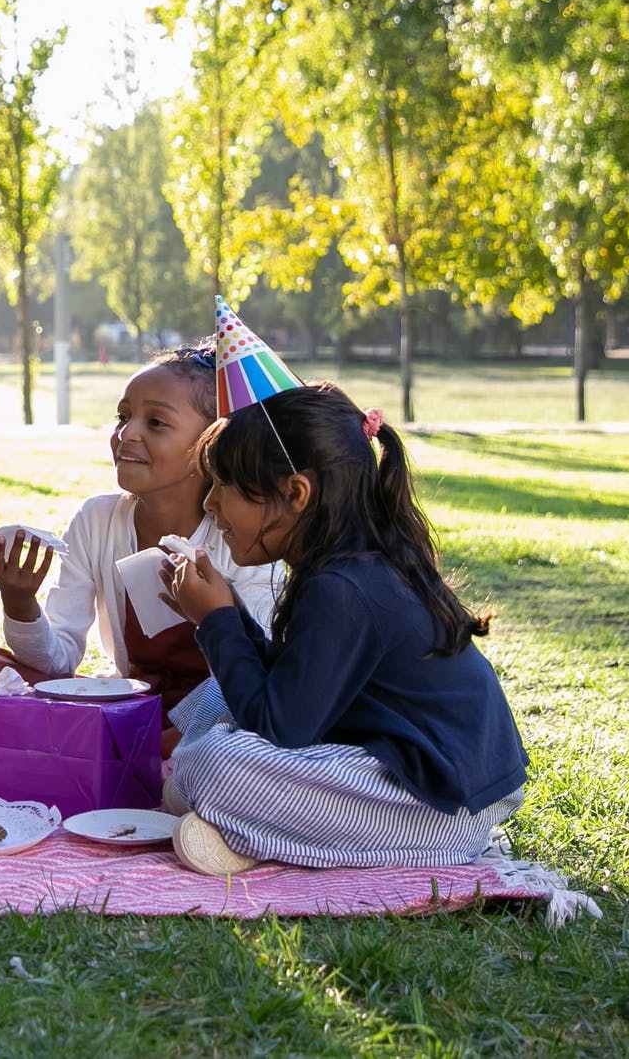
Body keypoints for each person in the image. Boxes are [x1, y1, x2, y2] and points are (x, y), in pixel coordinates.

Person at [158, 298, 528, 875]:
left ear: (295, 493)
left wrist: (216, 620)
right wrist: (225, 609)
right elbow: (292, 693)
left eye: (224, 486)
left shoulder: (346, 586)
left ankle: (257, 834)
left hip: (442, 805)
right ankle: (253, 828)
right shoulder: (345, 565)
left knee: (215, 762)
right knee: (212, 714)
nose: (209, 505)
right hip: (415, 775)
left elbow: (282, 727)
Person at [0, 344, 282, 752]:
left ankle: (100, 749)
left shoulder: (240, 537)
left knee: (234, 735)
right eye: (123, 417)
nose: (127, 434)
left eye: (156, 422)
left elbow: (252, 678)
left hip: (212, 715)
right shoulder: (97, 521)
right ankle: (116, 748)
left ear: (212, 442)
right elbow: (59, 661)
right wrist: (20, 605)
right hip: (128, 705)